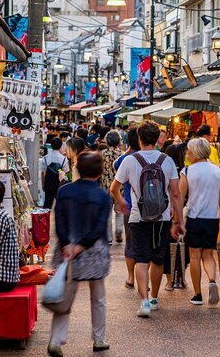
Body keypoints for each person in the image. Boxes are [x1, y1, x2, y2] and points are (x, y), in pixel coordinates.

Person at [110, 121, 185, 318]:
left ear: (140, 139)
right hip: (162, 216)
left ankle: (143, 301)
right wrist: (179, 220)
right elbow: (176, 194)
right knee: (158, 258)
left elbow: (113, 188)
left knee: (141, 258)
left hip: (137, 216)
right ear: (157, 139)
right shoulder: (167, 160)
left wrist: (121, 202)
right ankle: (154, 298)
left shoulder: (129, 160)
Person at [49, 152, 112, 356]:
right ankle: (99, 339)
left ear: (78, 168)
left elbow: (59, 221)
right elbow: (100, 227)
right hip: (94, 254)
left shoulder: (64, 191)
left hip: (67, 253)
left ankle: (56, 340)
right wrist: (83, 245)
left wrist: (68, 244)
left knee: (64, 295)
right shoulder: (103, 195)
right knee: (98, 297)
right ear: (100, 171)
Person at [181, 138, 220, 305]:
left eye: (189, 150)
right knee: (208, 254)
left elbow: (180, 198)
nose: (187, 153)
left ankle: (197, 294)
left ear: (195, 152)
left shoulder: (187, 171)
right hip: (213, 219)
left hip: (194, 218)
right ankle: (212, 281)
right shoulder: (217, 172)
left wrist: (177, 221)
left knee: (195, 256)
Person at [114, 128, 140, 289]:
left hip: (129, 206)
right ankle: (143, 277)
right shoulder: (153, 158)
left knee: (130, 243)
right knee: (146, 244)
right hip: (152, 208)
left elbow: (116, 174)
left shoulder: (123, 160)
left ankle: (131, 277)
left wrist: (120, 200)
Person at [162, 143, 186, 292]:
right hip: (184, 212)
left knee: (166, 248)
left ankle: (170, 281)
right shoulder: (184, 171)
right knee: (182, 247)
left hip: (167, 213)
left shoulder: (164, 168)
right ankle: (181, 278)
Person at [101, 131, 124, 243]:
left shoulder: (102, 154)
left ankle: (109, 237)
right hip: (120, 187)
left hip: (105, 186)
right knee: (119, 211)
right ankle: (119, 230)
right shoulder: (122, 154)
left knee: (108, 213)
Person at [42, 137, 70, 209]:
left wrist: (43, 183)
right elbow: (66, 172)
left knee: (47, 203)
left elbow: (43, 172)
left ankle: (45, 218)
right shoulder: (64, 159)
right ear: (61, 146)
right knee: (59, 204)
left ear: (51, 145)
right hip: (59, 184)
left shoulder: (45, 158)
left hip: (48, 183)